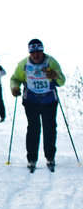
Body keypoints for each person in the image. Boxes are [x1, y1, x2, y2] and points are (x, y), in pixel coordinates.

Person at [9, 39, 65, 173]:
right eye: (33, 53)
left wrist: (55, 75)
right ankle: (32, 159)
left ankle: (50, 157)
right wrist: (15, 88)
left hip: (49, 101)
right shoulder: (24, 64)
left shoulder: (51, 62)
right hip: (31, 101)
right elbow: (15, 78)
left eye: (38, 52)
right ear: (29, 53)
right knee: (33, 128)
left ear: (42, 51)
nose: (36, 55)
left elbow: (62, 81)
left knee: (50, 128)